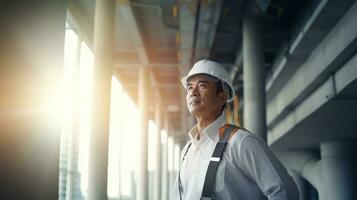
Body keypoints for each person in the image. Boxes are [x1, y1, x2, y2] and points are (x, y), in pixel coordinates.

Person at [171, 59, 299, 200]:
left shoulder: (241, 142)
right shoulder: (187, 150)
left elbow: (286, 192)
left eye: (202, 85)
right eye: (189, 87)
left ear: (222, 98)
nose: (193, 92)